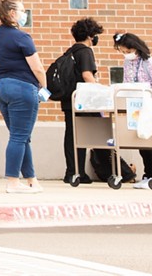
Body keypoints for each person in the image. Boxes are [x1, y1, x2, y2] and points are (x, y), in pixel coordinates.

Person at [0, 0, 49, 194]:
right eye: (22, 11)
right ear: (12, 14)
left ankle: (31, 179)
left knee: (21, 137)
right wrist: (45, 88)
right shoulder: (22, 37)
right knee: (19, 136)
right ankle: (13, 181)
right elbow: (38, 68)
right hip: (22, 89)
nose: (25, 14)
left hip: (0, 87)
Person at [113, 32, 152, 189]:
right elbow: (126, 82)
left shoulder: (148, 61)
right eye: (123, 52)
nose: (126, 55)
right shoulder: (127, 63)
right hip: (135, 105)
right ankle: (147, 174)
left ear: (135, 48)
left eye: (128, 52)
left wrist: (144, 91)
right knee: (140, 138)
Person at [59, 17, 103, 184]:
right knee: (90, 135)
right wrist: (101, 91)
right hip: (83, 101)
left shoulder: (70, 51)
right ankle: (79, 172)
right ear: (90, 36)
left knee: (71, 136)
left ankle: (72, 172)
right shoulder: (85, 51)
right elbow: (87, 75)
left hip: (69, 99)